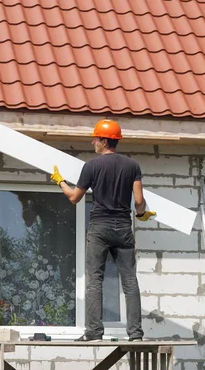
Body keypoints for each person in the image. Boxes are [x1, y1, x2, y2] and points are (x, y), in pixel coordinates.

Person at [50, 119, 156, 342]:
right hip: (123, 227)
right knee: (130, 281)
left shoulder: (92, 166)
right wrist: (141, 214)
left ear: (104, 141)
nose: (92, 142)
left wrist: (60, 181)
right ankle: (136, 334)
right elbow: (138, 201)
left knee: (95, 280)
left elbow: (74, 198)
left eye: (95, 138)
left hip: (99, 228)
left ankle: (94, 333)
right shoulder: (132, 166)